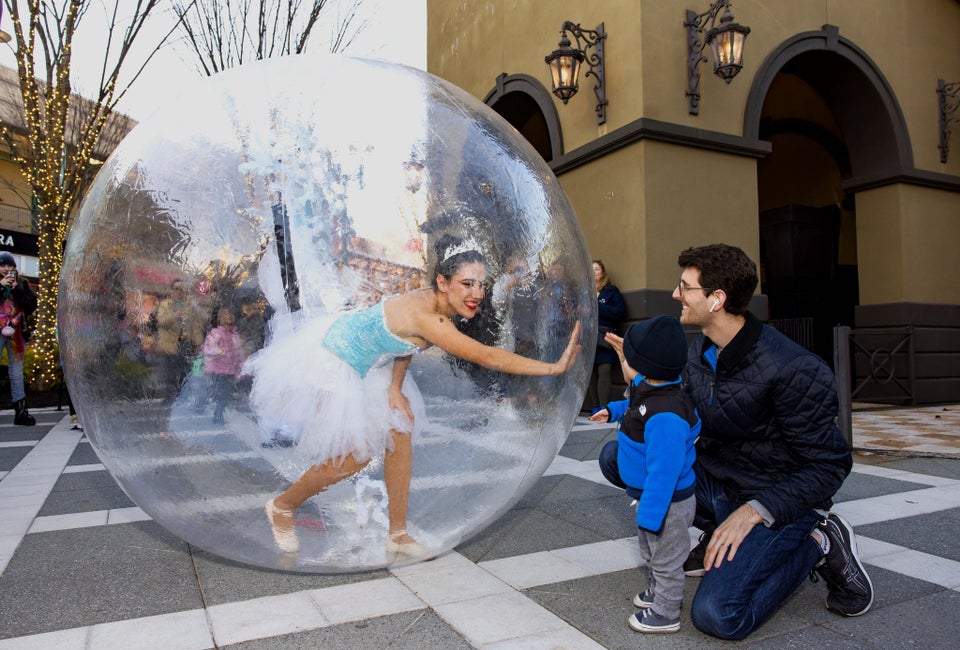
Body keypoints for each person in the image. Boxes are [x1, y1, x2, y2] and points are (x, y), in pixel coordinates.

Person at [250, 234, 582, 557]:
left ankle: (397, 534)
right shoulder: (433, 320)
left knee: (400, 431)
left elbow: (404, 341)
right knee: (357, 454)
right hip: (335, 360)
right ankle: (282, 506)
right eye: (467, 284)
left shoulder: (432, 302)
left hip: (373, 362)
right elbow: (487, 356)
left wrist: (396, 388)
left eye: (481, 284)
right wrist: (553, 368)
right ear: (443, 282)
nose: (477, 293)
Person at [672, 243, 873, 640]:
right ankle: (718, 529)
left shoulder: (794, 369)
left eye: (684, 287)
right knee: (623, 458)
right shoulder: (700, 352)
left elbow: (830, 465)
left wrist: (752, 511)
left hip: (777, 498)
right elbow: (686, 414)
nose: (676, 294)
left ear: (717, 300)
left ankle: (820, 542)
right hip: (723, 482)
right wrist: (642, 388)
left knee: (718, 616)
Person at [590, 315, 699, 634]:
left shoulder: (666, 415)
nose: (626, 367)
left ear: (645, 369)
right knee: (651, 550)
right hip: (650, 498)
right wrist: (613, 409)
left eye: (629, 361)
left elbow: (665, 473)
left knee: (667, 557)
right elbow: (635, 402)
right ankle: (657, 592)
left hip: (668, 503)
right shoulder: (652, 388)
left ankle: (666, 612)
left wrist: (652, 512)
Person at [0, 252, 37, 426]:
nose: (7, 269)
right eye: (3, 266)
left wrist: (17, 289)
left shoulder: (21, 283)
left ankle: (21, 411)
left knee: (16, 372)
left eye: (10, 266)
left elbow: (31, 305)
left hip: (16, 334)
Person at [586, 260, 626, 412]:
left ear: (602, 273)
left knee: (604, 369)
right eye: (591, 269)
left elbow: (619, 312)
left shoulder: (611, 291)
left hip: (605, 337)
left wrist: (597, 306)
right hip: (589, 337)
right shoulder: (584, 292)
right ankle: (595, 406)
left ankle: (604, 406)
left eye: (597, 269)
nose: (594, 272)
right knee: (591, 373)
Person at [201, 306, 246, 425]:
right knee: (222, 393)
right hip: (219, 369)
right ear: (220, 318)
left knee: (225, 394)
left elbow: (238, 351)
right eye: (226, 314)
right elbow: (208, 348)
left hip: (230, 369)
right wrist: (220, 352)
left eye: (231, 314)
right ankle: (217, 415)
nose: (229, 316)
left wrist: (241, 364)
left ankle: (218, 413)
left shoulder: (234, 334)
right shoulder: (217, 333)